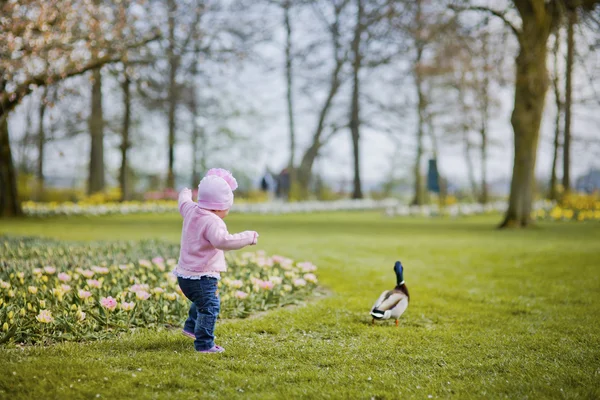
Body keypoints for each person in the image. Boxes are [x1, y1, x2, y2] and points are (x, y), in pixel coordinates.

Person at [174, 168, 259, 353]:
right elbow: (223, 241)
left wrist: (185, 193)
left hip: (184, 275)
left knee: (201, 301)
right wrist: (248, 237)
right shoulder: (213, 221)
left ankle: (190, 328)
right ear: (220, 206)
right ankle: (205, 345)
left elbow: (183, 202)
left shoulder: (191, 210)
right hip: (203, 275)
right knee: (210, 306)